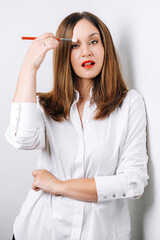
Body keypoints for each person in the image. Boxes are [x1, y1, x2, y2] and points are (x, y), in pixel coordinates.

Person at [6, 11, 149, 240]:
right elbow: (22, 138)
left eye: (93, 41)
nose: (86, 51)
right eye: (74, 45)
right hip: (39, 231)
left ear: (105, 48)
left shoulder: (130, 104)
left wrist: (58, 186)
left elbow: (132, 183)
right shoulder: (45, 106)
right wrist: (30, 66)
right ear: (63, 53)